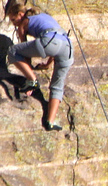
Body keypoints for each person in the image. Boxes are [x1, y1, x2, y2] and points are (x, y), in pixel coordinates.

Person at [6, 2, 73, 131]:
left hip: (50, 41)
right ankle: (50, 122)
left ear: (20, 14)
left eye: (14, 20)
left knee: (12, 51)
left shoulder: (24, 22)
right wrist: (47, 64)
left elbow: (24, 52)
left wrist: (29, 77)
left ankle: (33, 81)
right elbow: (56, 46)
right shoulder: (44, 17)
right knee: (57, 86)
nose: (14, 23)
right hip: (67, 46)